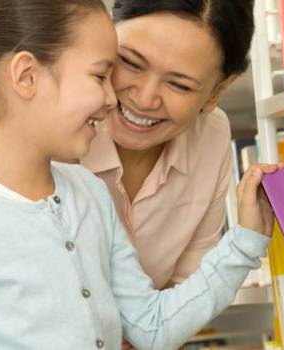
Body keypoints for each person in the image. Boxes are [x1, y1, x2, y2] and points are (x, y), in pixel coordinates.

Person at [0, 0, 278, 349]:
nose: (115, 98)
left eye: (178, 83)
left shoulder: (89, 195)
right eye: (101, 74)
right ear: (26, 76)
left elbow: (152, 326)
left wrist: (244, 241)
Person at [81, 0, 257, 295]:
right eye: (131, 63)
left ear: (218, 91)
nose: (146, 98)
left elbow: (184, 297)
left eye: (180, 85)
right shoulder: (49, 122)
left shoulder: (211, 137)